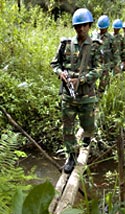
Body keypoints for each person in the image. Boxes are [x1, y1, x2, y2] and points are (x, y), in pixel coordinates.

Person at [51, 8, 102, 173]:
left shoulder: (95, 46)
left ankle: (86, 140)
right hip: (68, 96)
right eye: (77, 26)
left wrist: (82, 79)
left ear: (89, 26)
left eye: (84, 26)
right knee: (68, 129)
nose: (80, 29)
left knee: (88, 125)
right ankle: (72, 157)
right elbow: (55, 64)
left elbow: (99, 69)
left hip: (87, 96)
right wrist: (61, 74)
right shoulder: (65, 44)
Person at [91, 15, 113, 93]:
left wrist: (115, 65)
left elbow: (114, 52)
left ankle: (100, 99)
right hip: (93, 64)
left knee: (103, 86)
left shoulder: (110, 38)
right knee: (91, 84)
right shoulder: (93, 34)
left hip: (105, 65)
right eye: (100, 28)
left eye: (103, 29)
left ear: (107, 27)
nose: (102, 30)